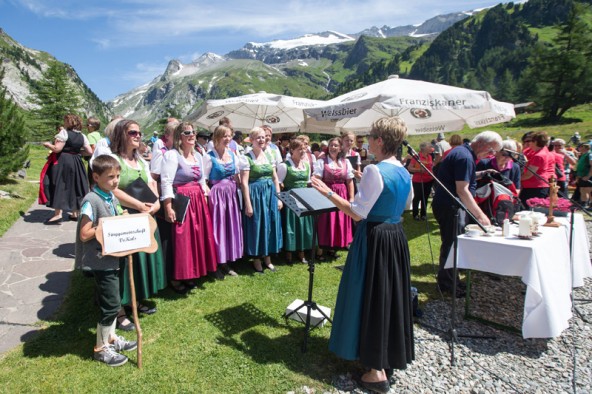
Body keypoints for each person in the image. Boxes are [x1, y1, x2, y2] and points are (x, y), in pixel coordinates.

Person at [311, 116, 414, 393]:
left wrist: (327, 193)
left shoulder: (374, 171)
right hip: (395, 236)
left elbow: (357, 212)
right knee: (388, 295)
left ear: (380, 140)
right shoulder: (403, 170)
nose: (367, 141)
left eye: (370, 136)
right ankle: (386, 355)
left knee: (369, 294)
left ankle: (374, 369)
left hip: (374, 238)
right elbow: (406, 204)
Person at [75, 154, 137, 366]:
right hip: (101, 260)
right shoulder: (91, 200)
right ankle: (101, 349)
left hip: (114, 256)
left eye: (118, 176)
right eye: (110, 177)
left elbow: (117, 216)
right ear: (96, 176)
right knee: (110, 305)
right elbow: (84, 234)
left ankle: (110, 338)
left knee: (115, 300)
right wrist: (103, 226)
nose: (116, 181)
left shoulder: (111, 196)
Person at [110, 119, 167, 326]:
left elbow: (152, 184)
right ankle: (119, 311)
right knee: (123, 265)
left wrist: (156, 205)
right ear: (121, 135)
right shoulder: (114, 159)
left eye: (139, 132)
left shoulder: (141, 160)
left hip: (144, 217)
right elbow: (112, 189)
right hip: (124, 218)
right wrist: (138, 204)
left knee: (140, 261)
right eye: (133, 132)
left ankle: (135, 300)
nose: (138, 136)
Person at [432, 131, 502, 296]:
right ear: (482, 144)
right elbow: (462, 190)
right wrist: (480, 215)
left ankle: (451, 280)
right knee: (452, 245)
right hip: (450, 206)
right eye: (491, 150)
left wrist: (482, 173)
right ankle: (447, 284)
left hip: (449, 205)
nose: (491, 155)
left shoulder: (463, 153)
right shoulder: (465, 157)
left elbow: (461, 178)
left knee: (454, 244)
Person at [161, 122, 218, 290]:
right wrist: (168, 207)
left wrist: (205, 198)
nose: (192, 135)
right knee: (182, 239)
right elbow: (166, 182)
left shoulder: (198, 156)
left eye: (193, 132)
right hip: (182, 200)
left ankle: (192, 272)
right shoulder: (172, 155)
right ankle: (177, 277)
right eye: (187, 132)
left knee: (197, 236)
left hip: (198, 201)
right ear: (180, 136)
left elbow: (201, 180)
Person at [240, 127, 283, 273]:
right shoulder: (246, 158)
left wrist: (279, 198)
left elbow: (275, 178)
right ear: (251, 140)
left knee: (269, 224)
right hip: (256, 196)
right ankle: (256, 259)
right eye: (258, 137)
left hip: (270, 194)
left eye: (263, 137)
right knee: (257, 225)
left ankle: (267, 258)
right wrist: (248, 204)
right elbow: (244, 183)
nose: (261, 140)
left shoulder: (269, 156)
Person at [41, 114, 92, 224]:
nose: (64, 122)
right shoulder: (82, 136)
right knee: (75, 185)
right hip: (77, 162)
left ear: (69, 122)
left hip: (63, 161)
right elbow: (89, 151)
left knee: (60, 184)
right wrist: (77, 152)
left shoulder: (64, 133)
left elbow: (57, 149)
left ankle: (58, 214)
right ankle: (75, 214)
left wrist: (47, 144)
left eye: (65, 120)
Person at [207, 125, 243, 277]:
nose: (228, 139)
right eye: (224, 136)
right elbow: (204, 179)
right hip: (217, 196)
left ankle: (227, 260)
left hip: (231, 195)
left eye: (229, 136)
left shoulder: (233, 154)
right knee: (218, 228)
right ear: (216, 138)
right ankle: (216, 263)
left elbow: (237, 176)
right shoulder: (209, 156)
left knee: (230, 227)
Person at [313, 137, 354, 260]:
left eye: (336, 145)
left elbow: (350, 181)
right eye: (331, 145)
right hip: (326, 193)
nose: (333, 147)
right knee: (326, 220)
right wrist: (325, 191)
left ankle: (333, 248)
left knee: (339, 220)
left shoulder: (345, 162)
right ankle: (320, 250)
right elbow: (316, 178)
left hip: (342, 193)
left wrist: (351, 197)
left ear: (340, 148)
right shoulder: (322, 161)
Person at [277, 139, 314, 264]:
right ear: (292, 150)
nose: (303, 151)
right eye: (299, 149)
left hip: (304, 198)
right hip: (290, 198)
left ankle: (302, 252)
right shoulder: (284, 165)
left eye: (304, 148)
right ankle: (288, 253)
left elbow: (308, 182)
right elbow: (279, 183)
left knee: (303, 225)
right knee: (290, 225)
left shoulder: (306, 165)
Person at [519, 131, 554, 208]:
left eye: (530, 141)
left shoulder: (539, 156)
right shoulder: (541, 151)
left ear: (535, 142)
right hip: (535, 186)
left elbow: (529, 174)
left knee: (528, 209)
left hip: (535, 187)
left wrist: (516, 179)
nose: (528, 143)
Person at [408, 141, 434, 221]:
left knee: (425, 197)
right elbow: (409, 168)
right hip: (418, 180)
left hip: (429, 180)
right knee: (418, 197)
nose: (431, 148)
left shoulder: (429, 156)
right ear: (424, 148)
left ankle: (423, 214)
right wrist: (419, 170)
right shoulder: (416, 157)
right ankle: (415, 214)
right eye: (429, 146)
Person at [575, 142, 592, 207]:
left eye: (580, 147)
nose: (578, 148)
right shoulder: (583, 155)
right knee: (582, 190)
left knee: (589, 190)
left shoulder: (589, 154)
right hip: (581, 176)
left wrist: (588, 176)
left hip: (587, 175)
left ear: (584, 147)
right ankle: (583, 204)